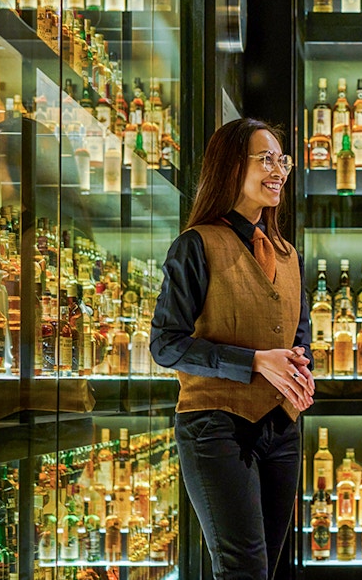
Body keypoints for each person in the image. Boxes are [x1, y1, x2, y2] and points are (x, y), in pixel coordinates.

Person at [149, 118, 315, 579]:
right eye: (265, 159)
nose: (278, 170)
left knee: (267, 569)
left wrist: (302, 371)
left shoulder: (287, 254)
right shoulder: (195, 245)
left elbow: (298, 337)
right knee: (242, 570)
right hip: (214, 426)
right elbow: (165, 345)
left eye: (282, 160)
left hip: (281, 429)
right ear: (229, 167)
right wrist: (256, 363)